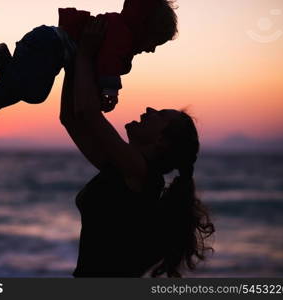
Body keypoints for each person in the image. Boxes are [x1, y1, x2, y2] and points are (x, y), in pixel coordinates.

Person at [60, 19, 215, 277]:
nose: (149, 110)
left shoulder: (142, 174)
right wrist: (73, 59)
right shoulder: (123, 169)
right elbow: (71, 118)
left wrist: (85, 54)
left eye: (160, 115)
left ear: (161, 141)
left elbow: (87, 112)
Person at [0, 0, 178, 137]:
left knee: (31, 92)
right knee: (26, 89)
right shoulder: (122, 35)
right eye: (154, 43)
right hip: (51, 45)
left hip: (46, 44)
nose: (152, 50)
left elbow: (94, 67)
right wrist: (110, 91)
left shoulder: (121, 34)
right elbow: (107, 64)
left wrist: (98, 92)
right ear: (145, 30)